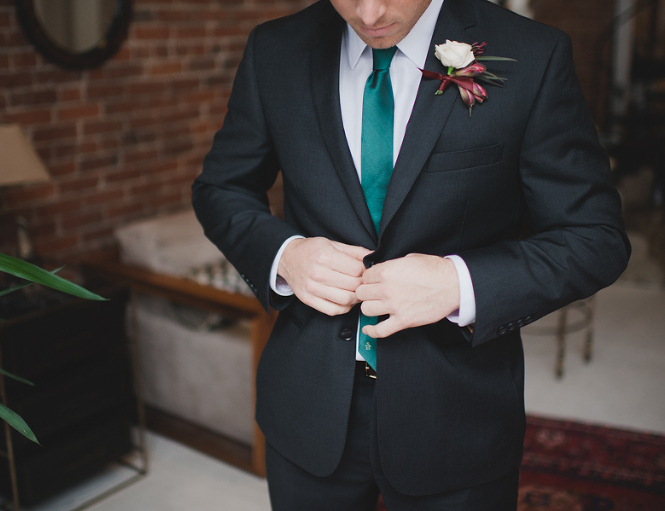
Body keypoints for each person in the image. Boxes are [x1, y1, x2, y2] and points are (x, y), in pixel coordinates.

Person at [192, 0, 630, 509]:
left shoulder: (534, 55)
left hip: (457, 419)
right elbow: (220, 189)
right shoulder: (274, 49)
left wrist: (458, 283)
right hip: (306, 407)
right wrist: (285, 256)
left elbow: (595, 236)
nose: (369, 14)